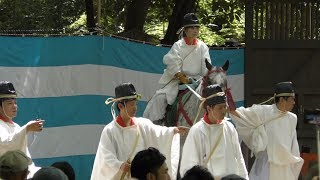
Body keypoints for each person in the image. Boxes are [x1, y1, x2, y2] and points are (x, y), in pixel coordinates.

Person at [90, 82, 187, 180]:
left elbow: (158, 133)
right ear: (120, 106)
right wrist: (119, 165)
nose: (135, 108)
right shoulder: (110, 130)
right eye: (132, 104)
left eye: (136, 104)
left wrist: (173, 131)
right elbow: (106, 156)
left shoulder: (142, 124)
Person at [143, 12, 212, 121]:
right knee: (160, 98)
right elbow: (172, 63)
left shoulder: (203, 47)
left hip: (197, 82)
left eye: (197, 28)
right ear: (185, 30)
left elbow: (206, 67)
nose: (195, 31)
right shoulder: (178, 45)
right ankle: (158, 123)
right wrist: (180, 75)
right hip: (178, 81)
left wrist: (206, 77)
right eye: (192, 28)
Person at [229, 81, 304, 180]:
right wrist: (226, 103)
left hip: (284, 167)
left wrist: (295, 164)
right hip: (266, 164)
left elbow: (293, 144)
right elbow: (241, 115)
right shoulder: (264, 111)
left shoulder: (292, 118)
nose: (294, 102)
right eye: (291, 99)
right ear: (282, 99)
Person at [180, 84, 248, 179]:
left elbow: (239, 158)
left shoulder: (229, 128)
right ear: (209, 109)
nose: (224, 111)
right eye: (220, 108)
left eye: (225, 107)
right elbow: (189, 165)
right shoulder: (197, 131)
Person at [0, 81, 44, 178]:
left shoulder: (16, 126)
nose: (14, 106)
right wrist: (26, 129)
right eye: (9, 103)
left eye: (15, 103)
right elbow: (4, 144)